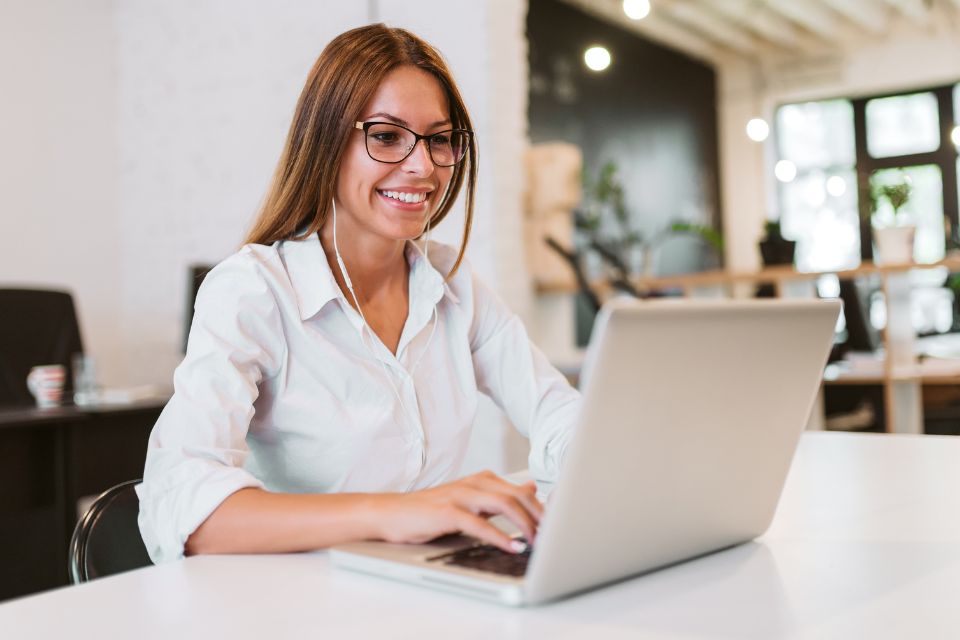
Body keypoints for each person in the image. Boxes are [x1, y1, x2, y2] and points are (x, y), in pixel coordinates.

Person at [137, 24, 581, 564]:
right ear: (325, 143)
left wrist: (599, 460)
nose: (422, 166)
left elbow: (558, 413)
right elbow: (183, 504)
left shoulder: (452, 284)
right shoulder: (252, 291)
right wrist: (395, 514)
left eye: (439, 139)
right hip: (287, 600)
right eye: (387, 136)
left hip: (416, 585)